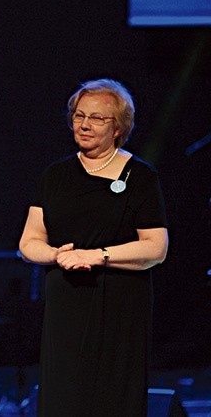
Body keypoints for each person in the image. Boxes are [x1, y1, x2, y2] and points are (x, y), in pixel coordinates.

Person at [18, 78, 168, 416]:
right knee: (65, 395)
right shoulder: (54, 176)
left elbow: (156, 247)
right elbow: (29, 241)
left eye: (97, 118)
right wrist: (57, 255)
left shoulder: (140, 176)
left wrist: (97, 256)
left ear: (118, 127)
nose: (84, 124)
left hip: (120, 302)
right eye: (78, 115)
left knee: (113, 396)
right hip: (66, 303)